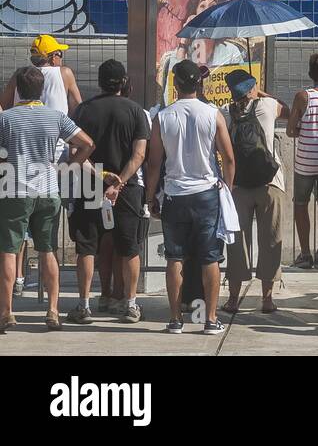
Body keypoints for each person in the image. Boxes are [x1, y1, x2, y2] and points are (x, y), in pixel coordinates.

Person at [0, 66, 95, 332]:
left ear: (18, 89)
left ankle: (7, 312)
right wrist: (67, 168)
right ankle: (53, 310)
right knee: (48, 251)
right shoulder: (55, 117)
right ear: (42, 89)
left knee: (8, 251)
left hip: (13, 189)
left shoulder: (6, 118)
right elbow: (87, 143)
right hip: (48, 189)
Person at [144, 59, 234, 336]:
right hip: (207, 192)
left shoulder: (163, 117)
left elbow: (154, 163)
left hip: (174, 193)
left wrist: (150, 198)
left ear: (176, 85)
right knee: (211, 259)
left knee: (175, 258)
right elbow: (229, 158)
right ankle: (210, 319)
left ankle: (175, 319)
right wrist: (226, 190)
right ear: (199, 83)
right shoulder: (213, 114)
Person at [66, 60, 149, 325]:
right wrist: (119, 182)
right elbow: (139, 155)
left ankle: (84, 304)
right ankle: (131, 304)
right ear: (123, 82)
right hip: (127, 189)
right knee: (129, 247)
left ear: (100, 82)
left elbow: (75, 152)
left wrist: (100, 176)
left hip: (89, 184)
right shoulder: (136, 111)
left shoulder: (83, 111)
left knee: (87, 246)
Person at [221, 69, 288, 316]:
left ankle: (233, 298)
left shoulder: (226, 113)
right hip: (271, 183)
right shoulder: (268, 106)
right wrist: (260, 93)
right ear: (252, 87)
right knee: (271, 239)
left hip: (238, 186)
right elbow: (289, 111)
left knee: (237, 242)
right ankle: (267, 298)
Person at [286, 53, 318, 270]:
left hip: (305, 163)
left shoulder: (302, 96)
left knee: (300, 205)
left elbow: (290, 130)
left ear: (310, 74)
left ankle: (305, 253)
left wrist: (302, 129)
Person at [2, 35, 83, 116]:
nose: (61, 58)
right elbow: (78, 107)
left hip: (22, 127)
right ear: (53, 57)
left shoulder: (20, 74)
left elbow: (3, 106)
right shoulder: (65, 73)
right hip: (55, 127)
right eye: (60, 54)